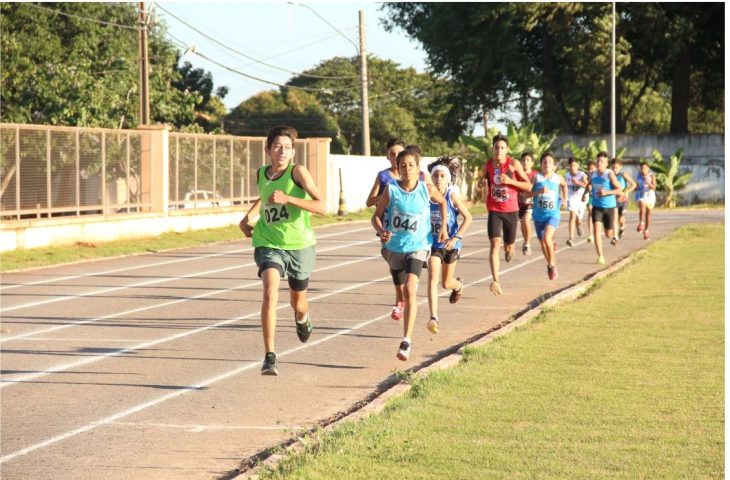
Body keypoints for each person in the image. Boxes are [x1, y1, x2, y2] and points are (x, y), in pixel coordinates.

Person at [239, 125, 326, 376]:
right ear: (267, 149)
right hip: (268, 241)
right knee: (269, 292)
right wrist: (248, 218)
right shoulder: (262, 173)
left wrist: (289, 199)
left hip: (299, 244)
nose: (282, 151)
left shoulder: (298, 172)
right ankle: (270, 356)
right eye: (277, 146)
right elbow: (265, 197)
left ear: (292, 151)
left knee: (298, 303)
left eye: (287, 148)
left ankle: (302, 318)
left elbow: (322, 206)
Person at [372, 146, 447, 361]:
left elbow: (442, 203)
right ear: (398, 168)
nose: (406, 169)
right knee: (401, 289)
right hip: (394, 248)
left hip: (419, 246)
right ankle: (401, 304)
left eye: (411, 165)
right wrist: (381, 231)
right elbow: (375, 217)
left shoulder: (426, 189)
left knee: (410, 288)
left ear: (417, 168)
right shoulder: (391, 190)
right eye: (402, 165)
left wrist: (442, 227)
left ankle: (406, 340)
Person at [365, 138, 431, 322]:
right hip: (388, 229)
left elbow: (428, 198)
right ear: (387, 156)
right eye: (392, 154)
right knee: (395, 267)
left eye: (398, 154)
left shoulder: (418, 176)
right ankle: (400, 296)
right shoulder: (384, 177)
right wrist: (389, 194)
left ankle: (401, 301)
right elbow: (369, 202)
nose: (395, 158)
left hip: (414, 235)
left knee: (408, 271)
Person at [477, 134, 532, 295]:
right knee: (495, 245)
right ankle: (496, 280)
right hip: (494, 209)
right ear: (492, 149)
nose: (499, 150)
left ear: (507, 150)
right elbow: (481, 183)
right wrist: (481, 184)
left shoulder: (514, 164)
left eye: (502, 147)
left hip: (511, 210)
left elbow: (528, 185)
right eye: (496, 147)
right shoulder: (487, 165)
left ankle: (510, 249)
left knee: (508, 246)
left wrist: (510, 181)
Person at [425, 156, 473, 334]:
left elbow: (468, 218)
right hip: (433, 244)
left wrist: (455, 238)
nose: (438, 179)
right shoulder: (426, 194)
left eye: (442, 176)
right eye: (435, 176)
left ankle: (458, 286)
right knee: (432, 278)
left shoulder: (451, 195)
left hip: (451, 245)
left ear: (447, 179)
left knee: (446, 283)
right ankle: (434, 317)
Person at [523, 152, 567, 279]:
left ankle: (553, 265)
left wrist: (565, 199)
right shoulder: (536, 178)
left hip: (553, 214)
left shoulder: (557, 178)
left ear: (554, 166)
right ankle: (549, 264)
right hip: (538, 216)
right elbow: (526, 195)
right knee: (543, 243)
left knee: (547, 238)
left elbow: (564, 186)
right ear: (541, 165)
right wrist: (538, 192)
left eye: (550, 162)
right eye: (544, 162)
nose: (547, 164)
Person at [586, 152, 622, 265]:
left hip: (609, 207)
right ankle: (600, 256)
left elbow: (619, 190)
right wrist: (585, 193)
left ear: (606, 164)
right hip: (596, 206)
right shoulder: (593, 174)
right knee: (596, 228)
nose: (599, 163)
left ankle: (615, 232)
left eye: (602, 161)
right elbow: (589, 185)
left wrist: (606, 192)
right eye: (597, 161)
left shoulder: (610, 174)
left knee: (608, 234)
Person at [609, 157, 637, 243]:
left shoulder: (623, 174)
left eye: (616, 167)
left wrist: (626, 191)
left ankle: (622, 227)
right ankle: (615, 236)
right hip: (614, 199)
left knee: (621, 218)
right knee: (614, 216)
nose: (614, 169)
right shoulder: (609, 175)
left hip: (623, 199)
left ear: (620, 167)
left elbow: (634, 184)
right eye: (613, 167)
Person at [565, 157, 588, 247]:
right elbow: (565, 186)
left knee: (579, 219)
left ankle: (578, 225)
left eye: (574, 165)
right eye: (571, 165)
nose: (572, 167)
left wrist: (578, 183)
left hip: (581, 197)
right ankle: (571, 238)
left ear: (578, 166)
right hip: (572, 197)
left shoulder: (582, 175)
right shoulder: (567, 175)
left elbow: (588, 185)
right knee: (572, 216)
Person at [517, 152, 538, 255]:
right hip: (519, 203)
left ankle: (528, 244)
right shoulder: (517, 174)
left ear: (532, 163)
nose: (525, 162)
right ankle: (525, 241)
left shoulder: (535, 175)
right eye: (523, 160)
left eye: (528, 160)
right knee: (522, 224)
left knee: (526, 220)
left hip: (531, 203)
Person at [635, 161, 656, 240]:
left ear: (648, 169)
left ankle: (646, 230)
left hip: (650, 196)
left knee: (648, 214)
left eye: (644, 168)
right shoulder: (638, 176)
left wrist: (648, 183)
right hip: (641, 195)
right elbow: (637, 186)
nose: (643, 170)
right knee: (642, 207)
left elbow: (654, 187)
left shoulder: (651, 176)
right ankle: (641, 223)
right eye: (641, 168)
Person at [581, 160, 597, 244]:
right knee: (590, 213)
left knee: (597, 217)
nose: (590, 171)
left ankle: (597, 231)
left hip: (599, 198)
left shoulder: (599, 176)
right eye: (588, 169)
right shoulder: (586, 177)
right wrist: (584, 194)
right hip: (590, 197)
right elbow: (587, 186)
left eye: (592, 169)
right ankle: (590, 234)